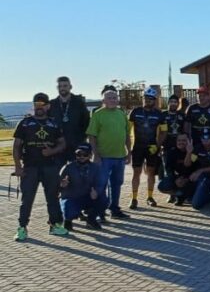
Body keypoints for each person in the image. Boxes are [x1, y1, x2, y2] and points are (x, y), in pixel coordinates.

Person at [13, 93, 68, 241]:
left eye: (42, 104)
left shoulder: (54, 123)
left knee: (53, 197)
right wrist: (18, 166)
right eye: (36, 104)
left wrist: (52, 151)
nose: (39, 107)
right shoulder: (25, 123)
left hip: (50, 166)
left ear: (48, 106)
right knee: (27, 199)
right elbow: (17, 146)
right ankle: (22, 228)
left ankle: (55, 225)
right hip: (30, 167)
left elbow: (62, 144)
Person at [87, 87, 131, 219]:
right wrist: (96, 154)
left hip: (120, 156)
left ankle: (115, 209)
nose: (113, 100)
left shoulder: (121, 114)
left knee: (117, 184)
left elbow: (127, 134)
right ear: (103, 100)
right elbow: (92, 136)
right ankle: (99, 211)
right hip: (104, 157)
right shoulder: (98, 115)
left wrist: (129, 152)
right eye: (109, 98)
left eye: (114, 98)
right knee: (101, 185)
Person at [128, 88, 168, 210]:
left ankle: (150, 197)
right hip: (138, 147)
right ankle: (134, 198)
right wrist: (128, 148)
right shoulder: (135, 112)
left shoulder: (159, 114)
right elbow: (127, 130)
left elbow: (164, 132)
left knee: (151, 173)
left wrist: (157, 145)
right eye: (145, 98)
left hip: (151, 147)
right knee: (137, 173)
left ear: (154, 100)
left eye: (150, 99)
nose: (147, 101)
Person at [59, 143, 106, 231]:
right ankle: (67, 221)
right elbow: (57, 184)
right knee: (68, 209)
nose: (82, 156)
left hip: (88, 197)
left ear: (90, 155)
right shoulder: (67, 167)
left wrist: (97, 192)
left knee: (103, 200)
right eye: (78, 154)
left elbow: (100, 183)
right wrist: (62, 185)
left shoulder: (96, 168)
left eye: (85, 154)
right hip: (72, 197)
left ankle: (91, 220)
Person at [49, 76, 91, 163]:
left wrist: (82, 139)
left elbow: (86, 122)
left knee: (76, 173)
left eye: (65, 86)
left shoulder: (79, 103)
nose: (62, 88)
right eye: (60, 86)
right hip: (58, 145)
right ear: (57, 88)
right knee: (58, 174)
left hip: (76, 144)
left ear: (70, 87)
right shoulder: (52, 104)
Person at [158, 132, 195, 206]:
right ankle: (180, 195)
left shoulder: (194, 151)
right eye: (179, 140)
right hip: (178, 178)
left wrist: (189, 153)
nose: (181, 142)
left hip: (191, 178)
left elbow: (188, 165)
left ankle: (190, 195)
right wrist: (176, 178)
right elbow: (169, 168)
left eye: (184, 140)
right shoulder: (171, 152)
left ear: (188, 141)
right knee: (162, 186)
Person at [161, 94, 187, 202]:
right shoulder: (163, 115)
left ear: (178, 104)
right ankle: (171, 193)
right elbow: (160, 132)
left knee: (180, 169)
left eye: (175, 102)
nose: (173, 104)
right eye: (171, 102)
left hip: (180, 147)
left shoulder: (182, 115)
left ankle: (181, 192)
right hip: (167, 146)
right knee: (168, 170)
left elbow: (185, 130)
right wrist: (159, 145)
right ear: (168, 103)